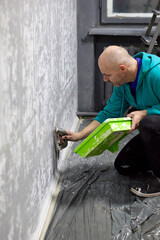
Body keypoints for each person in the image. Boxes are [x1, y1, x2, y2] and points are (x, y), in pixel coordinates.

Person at [63, 45, 160, 197]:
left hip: (154, 126)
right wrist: (79, 135)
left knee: (149, 123)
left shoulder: (156, 73)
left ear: (122, 68)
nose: (105, 79)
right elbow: (108, 113)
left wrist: (145, 113)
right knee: (124, 165)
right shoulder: (124, 83)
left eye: (107, 74)